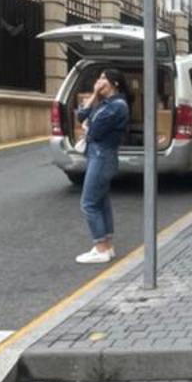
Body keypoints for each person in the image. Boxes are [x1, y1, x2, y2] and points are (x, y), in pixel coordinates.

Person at [75, 69, 129, 264]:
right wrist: (94, 96)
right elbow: (81, 116)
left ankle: (101, 249)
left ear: (115, 83)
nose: (99, 82)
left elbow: (94, 132)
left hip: (102, 156)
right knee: (101, 200)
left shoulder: (117, 106)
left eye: (103, 78)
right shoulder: (104, 103)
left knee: (88, 203)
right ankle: (106, 245)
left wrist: (88, 127)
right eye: (98, 78)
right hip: (98, 155)